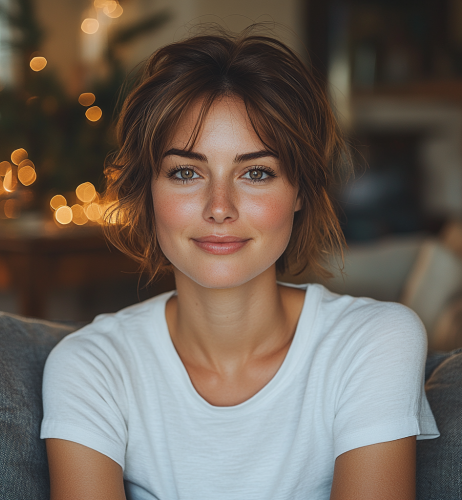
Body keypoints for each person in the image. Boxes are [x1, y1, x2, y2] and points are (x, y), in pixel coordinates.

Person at [41, 26, 439, 500]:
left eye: (256, 172)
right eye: (186, 172)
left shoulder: (373, 343)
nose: (219, 206)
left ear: (300, 192)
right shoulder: (92, 368)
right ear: (146, 191)